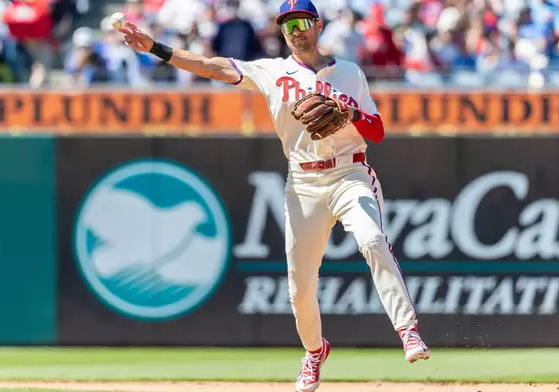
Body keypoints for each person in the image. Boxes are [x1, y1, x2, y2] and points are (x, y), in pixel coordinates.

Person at [118, 1, 430, 391]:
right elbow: (211, 66)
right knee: (300, 288)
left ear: (317, 25)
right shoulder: (270, 71)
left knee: (371, 239)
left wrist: (350, 114)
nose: (295, 30)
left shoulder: (349, 73)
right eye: (287, 25)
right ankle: (315, 352)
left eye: (301, 22)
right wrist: (156, 48)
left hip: (350, 172)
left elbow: (378, 131)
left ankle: (407, 330)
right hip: (302, 183)